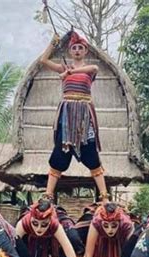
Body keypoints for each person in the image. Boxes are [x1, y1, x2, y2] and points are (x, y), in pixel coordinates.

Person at [39, 30, 108, 201]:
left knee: (90, 151)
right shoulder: (63, 67)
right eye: (74, 48)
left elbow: (94, 67)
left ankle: (104, 196)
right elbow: (43, 60)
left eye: (80, 48)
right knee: (60, 150)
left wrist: (69, 73)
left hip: (84, 114)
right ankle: (48, 194)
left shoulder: (89, 70)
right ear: (70, 51)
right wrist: (53, 43)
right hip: (67, 114)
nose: (77, 50)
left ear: (85, 51)